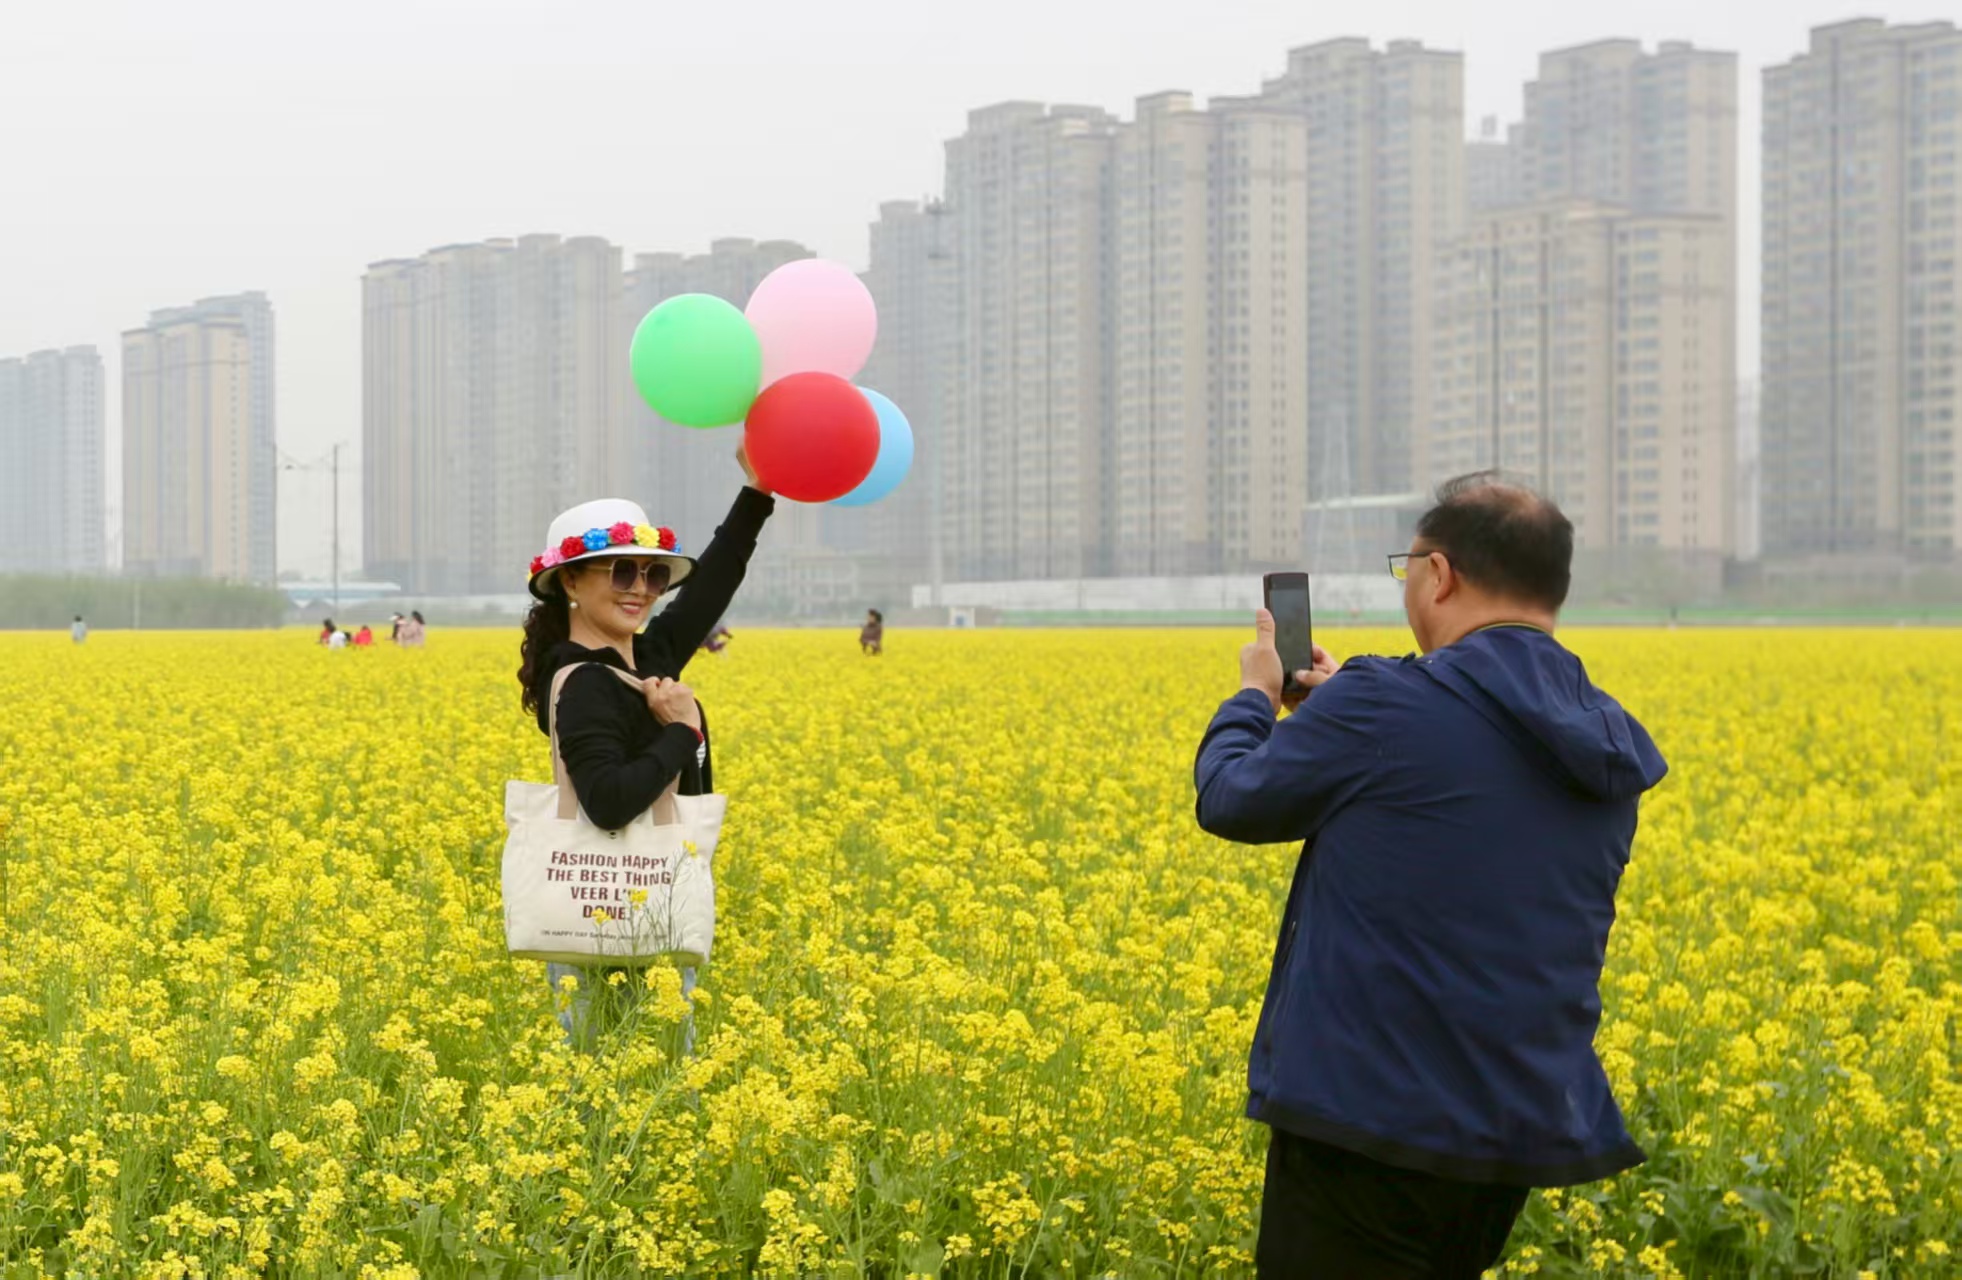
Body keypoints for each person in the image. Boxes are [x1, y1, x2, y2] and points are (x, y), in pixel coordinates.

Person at [1193, 472, 1669, 1278]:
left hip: (1369, 1123)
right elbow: (1463, 784)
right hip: (1507, 1135)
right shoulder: (1603, 731)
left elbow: (1230, 797)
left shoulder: (1384, 707)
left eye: (1406, 567)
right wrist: (1342, 716)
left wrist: (1255, 696)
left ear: (1439, 575)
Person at [517, 445, 774, 1049]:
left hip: (648, 902)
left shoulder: (646, 658)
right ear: (570, 581)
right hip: (606, 911)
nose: (642, 589)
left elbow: (712, 586)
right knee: (616, 1077)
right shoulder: (585, 681)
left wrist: (758, 491)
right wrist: (682, 731)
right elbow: (607, 802)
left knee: (652, 1074)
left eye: (654, 575)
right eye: (621, 572)